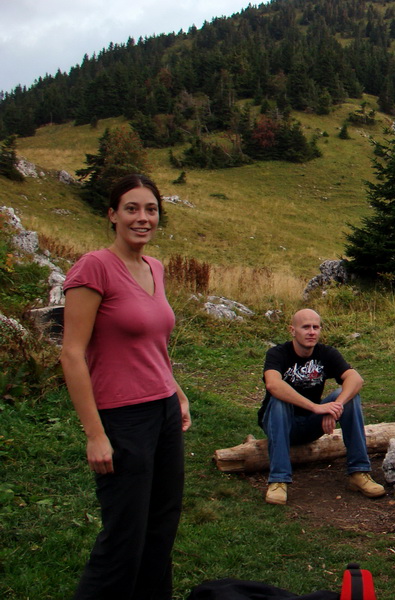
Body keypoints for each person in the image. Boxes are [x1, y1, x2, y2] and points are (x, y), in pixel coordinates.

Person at [60, 174, 191, 600]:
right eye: (131, 208)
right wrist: (95, 435)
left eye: (150, 209)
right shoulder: (94, 267)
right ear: (112, 215)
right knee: (125, 536)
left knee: (161, 526)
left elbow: (154, 342)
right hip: (122, 418)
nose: (142, 218)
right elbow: (72, 354)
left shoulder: (155, 266)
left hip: (165, 410)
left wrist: (177, 391)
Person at [259, 308, 385, 504]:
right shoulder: (278, 353)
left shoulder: (326, 353)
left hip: (310, 424)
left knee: (349, 397)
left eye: (315, 327)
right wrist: (315, 407)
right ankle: (278, 481)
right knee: (279, 400)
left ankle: (359, 472)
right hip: (280, 423)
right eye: (305, 327)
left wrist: (335, 407)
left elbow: (355, 379)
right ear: (292, 330)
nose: (311, 332)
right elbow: (273, 384)